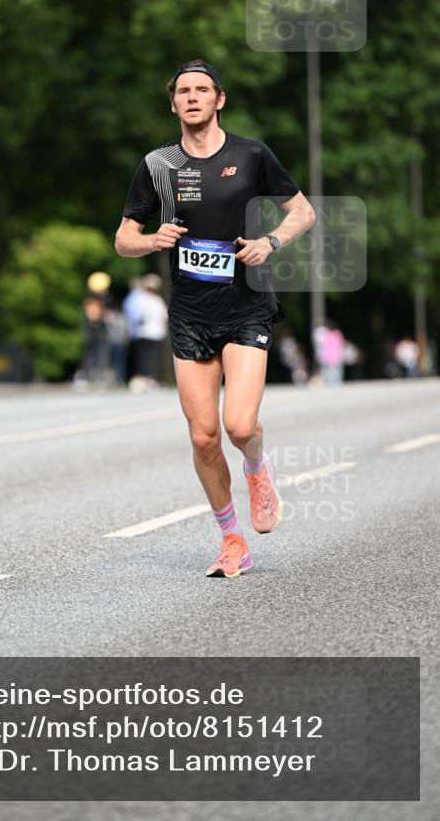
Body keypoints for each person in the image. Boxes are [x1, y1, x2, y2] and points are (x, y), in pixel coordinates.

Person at [115, 59, 315, 578]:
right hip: (189, 314)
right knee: (203, 437)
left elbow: (303, 212)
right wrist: (150, 240)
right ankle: (232, 540)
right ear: (173, 102)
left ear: (219, 99)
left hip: (247, 305)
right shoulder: (158, 164)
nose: (193, 97)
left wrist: (270, 242)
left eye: (203, 89)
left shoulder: (251, 155)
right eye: (184, 91)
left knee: (238, 425)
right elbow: (122, 239)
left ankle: (256, 464)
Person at [128, 273, 169, 391]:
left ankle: (144, 377)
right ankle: (148, 378)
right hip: (155, 332)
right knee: (151, 357)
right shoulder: (157, 300)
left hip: (143, 332)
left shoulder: (141, 300)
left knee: (143, 356)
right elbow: (164, 316)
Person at [313, 320, 346, 385]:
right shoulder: (338, 334)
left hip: (328, 359)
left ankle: (330, 385)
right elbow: (341, 346)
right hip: (336, 358)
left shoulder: (326, 335)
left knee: (328, 375)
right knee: (336, 375)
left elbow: (322, 346)